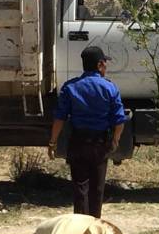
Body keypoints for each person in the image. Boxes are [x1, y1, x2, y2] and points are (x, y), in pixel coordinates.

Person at [48, 46, 126, 218]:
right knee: (97, 189)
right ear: (99, 65)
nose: (106, 67)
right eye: (105, 63)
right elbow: (119, 120)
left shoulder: (70, 87)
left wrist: (53, 142)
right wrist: (115, 140)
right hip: (99, 144)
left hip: (78, 142)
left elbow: (59, 118)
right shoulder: (110, 88)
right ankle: (94, 228)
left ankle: (79, 229)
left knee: (80, 188)